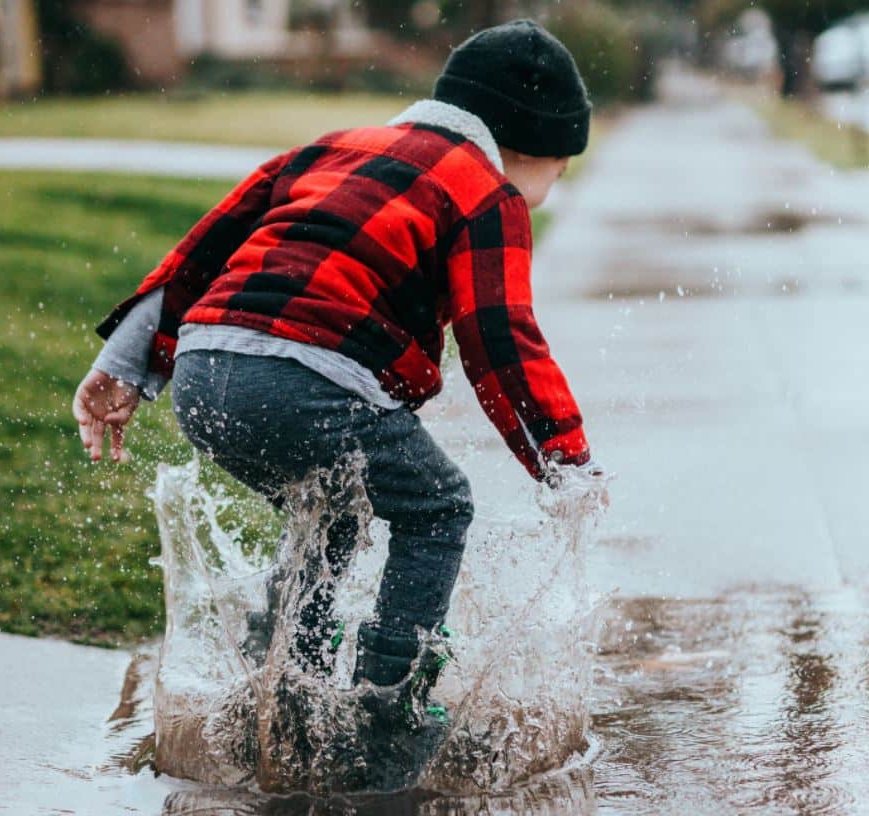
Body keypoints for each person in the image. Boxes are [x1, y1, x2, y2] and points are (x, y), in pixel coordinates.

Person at [72, 18, 601, 770]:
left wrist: (123, 364)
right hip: (302, 379)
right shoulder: (487, 193)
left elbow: (204, 249)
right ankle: (387, 705)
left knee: (330, 511)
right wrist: (565, 458)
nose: (560, 180)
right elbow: (501, 337)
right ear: (531, 144)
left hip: (205, 373)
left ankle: (286, 682)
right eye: (562, 162)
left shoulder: (327, 147)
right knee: (439, 504)